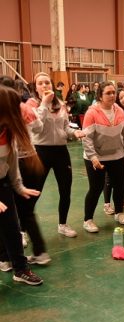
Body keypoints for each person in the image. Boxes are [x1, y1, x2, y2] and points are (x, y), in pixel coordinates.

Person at [26, 72, 84, 238]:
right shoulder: (31, 104)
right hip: (41, 151)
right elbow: (36, 127)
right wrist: (44, 104)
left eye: (47, 83)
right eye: (41, 83)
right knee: (35, 191)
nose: (45, 86)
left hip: (60, 151)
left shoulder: (60, 104)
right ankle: (22, 229)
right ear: (35, 88)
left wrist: (75, 133)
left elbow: (65, 127)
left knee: (65, 190)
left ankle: (63, 224)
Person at [0, 85, 43, 285]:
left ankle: (20, 269)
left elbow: (11, 162)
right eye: (15, 106)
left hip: (3, 184)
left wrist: (18, 187)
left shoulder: (7, 132)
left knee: (12, 228)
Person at [82, 81, 124, 233]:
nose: (112, 95)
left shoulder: (119, 111)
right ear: (100, 95)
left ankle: (119, 213)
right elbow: (87, 138)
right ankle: (88, 220)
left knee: (119, 185)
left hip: (117, 155)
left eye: (113, 92)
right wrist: (93, 157)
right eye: (108, 93)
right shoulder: (91, 113)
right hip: (96, 158)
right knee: (96, 188)